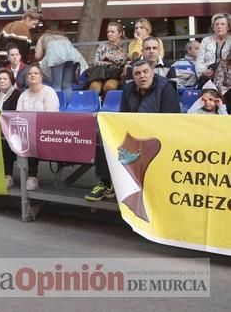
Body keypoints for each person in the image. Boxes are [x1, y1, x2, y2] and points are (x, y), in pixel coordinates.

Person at [86, 59, 180, 201]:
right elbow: (124, 116)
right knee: (102, 134)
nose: (142, 76)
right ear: (133, 76)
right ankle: (105, 184)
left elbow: (171, 122)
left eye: (145, 72)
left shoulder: (166, 88)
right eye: (137, 73)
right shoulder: (128, 88)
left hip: (157, 136)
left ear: (152, 73)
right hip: (134, 133)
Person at [15, 64, 60, 191]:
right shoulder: (23, 95)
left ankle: (32, 177)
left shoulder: (49, 92)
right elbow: (19, 115)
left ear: (41, 77)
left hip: (46, 130)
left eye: (35, 73)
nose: (32, 75)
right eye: (29, 74)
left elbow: (52, 116)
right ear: (27, 78)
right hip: (27, 131)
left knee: (31, 139)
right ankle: (10, 175)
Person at [34, 29, 87, 102]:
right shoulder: (64, 37)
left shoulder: (43, 37)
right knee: (67, 86)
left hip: (56, 55)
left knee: (56, 86)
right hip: (71, 57)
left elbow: (38, 56)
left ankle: (57, 106)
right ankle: (68, 105)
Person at [0, 69, 22, 188]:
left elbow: (15, 113)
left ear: (11, 81)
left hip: (11, 130)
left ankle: (8, 176)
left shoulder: (17, 94)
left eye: (5, 78)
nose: (1, 81)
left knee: (5, 143)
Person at [84, 22, 127, 97]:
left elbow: (122, 61)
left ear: (119, 34)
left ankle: (107, 106)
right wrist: (110, 63)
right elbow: (95, 62)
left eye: (112, 32)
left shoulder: (124, 47)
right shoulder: (102, 46)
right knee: (94, 87)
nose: (109, 34)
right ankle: (94, 106)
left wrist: (108, 56)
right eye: (108, 32)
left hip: (115, 74)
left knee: (109, 87)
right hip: (99, 73)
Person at [196, 13, 231, 87]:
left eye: (222, 24)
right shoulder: (206, 40)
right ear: (213, 27)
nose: (219, 26)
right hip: (208, 75)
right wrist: (204, 71)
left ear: (228, 27)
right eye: (216, 24)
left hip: (227, 76)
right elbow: (199, 61)